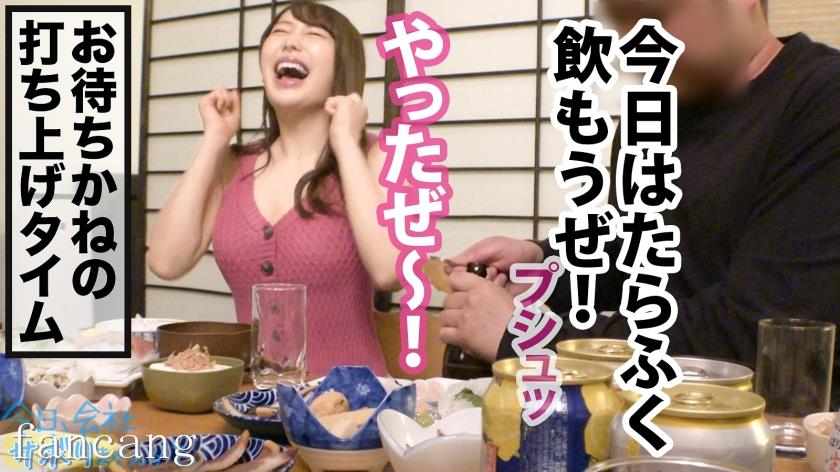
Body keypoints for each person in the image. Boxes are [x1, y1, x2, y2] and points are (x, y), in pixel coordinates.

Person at [440, 0, 840, 403]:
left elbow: (761, 331)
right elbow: (634, 257)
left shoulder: (822, 101)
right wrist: (543, 266)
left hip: (765, 425)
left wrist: (528, 337)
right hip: (637, 413)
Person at [147, 1, 398, 376]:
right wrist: (214, 139)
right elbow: (166, 262)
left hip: (353, 402)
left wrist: (346, 141)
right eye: (280, 32)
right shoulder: (233, 164)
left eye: (313, 34)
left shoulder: (377, 155)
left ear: (342, 67)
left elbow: (391, 270)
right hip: (250, 399)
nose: (290, 42)